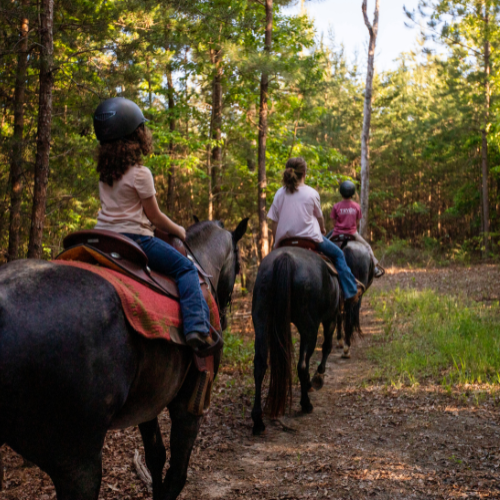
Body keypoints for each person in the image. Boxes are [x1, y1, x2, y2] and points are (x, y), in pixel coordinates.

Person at [93, 97, 211, 349]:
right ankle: (197, 327)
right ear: (136, 136)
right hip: (135, 239)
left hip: (102, 238)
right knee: (186, 269)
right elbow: (154, 216)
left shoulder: (105, 175)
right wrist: (179, 229)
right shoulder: (140, 173)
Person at [268, 157, 363, 302]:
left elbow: (274, 223)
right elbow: (319, 219)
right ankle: (350, 291)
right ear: (304, 173)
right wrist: (323, 230)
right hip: (310, 240)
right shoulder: (312, 193)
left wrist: (277, 243)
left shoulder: (279, 193)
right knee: (338, 255)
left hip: (284, 243)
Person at [331, 180, 384, 278]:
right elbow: (357, 221)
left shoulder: (336, 206)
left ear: (341, 192)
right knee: (367, 246)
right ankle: (375, 268)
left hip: (337, 234)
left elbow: (334, 223)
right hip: (352, 234)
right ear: (352, 193)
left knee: (323, 249)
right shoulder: (356, 206)